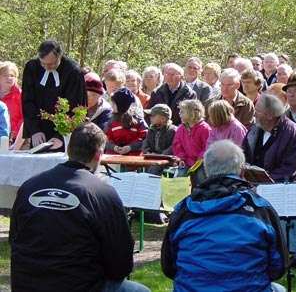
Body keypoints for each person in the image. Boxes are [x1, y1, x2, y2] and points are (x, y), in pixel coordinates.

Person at [9, 122, 149, 292]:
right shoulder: (103, 193)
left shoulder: (29, 186)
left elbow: (14, 239)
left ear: (69, 150)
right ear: (98, 155)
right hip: (80, 285)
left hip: (26, 283)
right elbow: (121, 264)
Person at [161, 140, 287, 292]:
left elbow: (169, 267)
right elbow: (278, 267)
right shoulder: (260, 209)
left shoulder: (183, 210)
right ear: (242, 171)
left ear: (206, 170)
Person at [242, 93, 296, 266]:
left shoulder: (292, 132)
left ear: (270, 115)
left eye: (258, 111)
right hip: (254, 183)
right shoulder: (255, 129)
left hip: (283, 186)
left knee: (285, 220)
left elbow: (290, 167)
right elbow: (244, 152)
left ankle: (293, 256)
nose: (255, 114)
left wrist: (265, 184)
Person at [21, 40, 86, 149]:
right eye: (43, 63)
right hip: (39, 131)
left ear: (60, 57)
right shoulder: (32, 68)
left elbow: (77, 106)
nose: (47, 67)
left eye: (51, 64)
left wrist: (61, 136)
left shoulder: (73, 71)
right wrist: (34, 130)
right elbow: (28, 101)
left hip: (65, 134)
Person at [105, 88, 148, 156]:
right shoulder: (111, 121)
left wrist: (130, 147)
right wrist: (114, 147)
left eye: (114, 104)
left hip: (133, 158)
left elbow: (144, 138)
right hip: (113, 157)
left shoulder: (138, 121)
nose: (111, 106)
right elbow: (105, 138)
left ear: (121, 105)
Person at [172, 99, 211, 170]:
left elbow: (207, 147)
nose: (179, 114)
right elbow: (177, 145)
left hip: (200, 164)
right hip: (185, 162)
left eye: (182, 112)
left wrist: (199, 160)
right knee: (180, 178)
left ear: (192, 113)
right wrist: (181, 158)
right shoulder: (181, 128)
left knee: (200, 178)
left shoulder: (204, 128)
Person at [142, 104, 177, 171]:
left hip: (167, 162)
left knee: (154, 168)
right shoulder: (151, 130)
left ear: (163, 119)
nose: (150, 118)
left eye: (153, 116)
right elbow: (145, 144)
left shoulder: (173, 131)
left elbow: (173, 147)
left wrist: (160, 156)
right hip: (152, 159)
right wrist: (148, 152)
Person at [0, 61, 23, 140]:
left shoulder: (20, 95)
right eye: (5, 75)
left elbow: (25, 118)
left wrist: (13, 134)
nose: (9, 78)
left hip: (17, 140)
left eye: (12, 75)